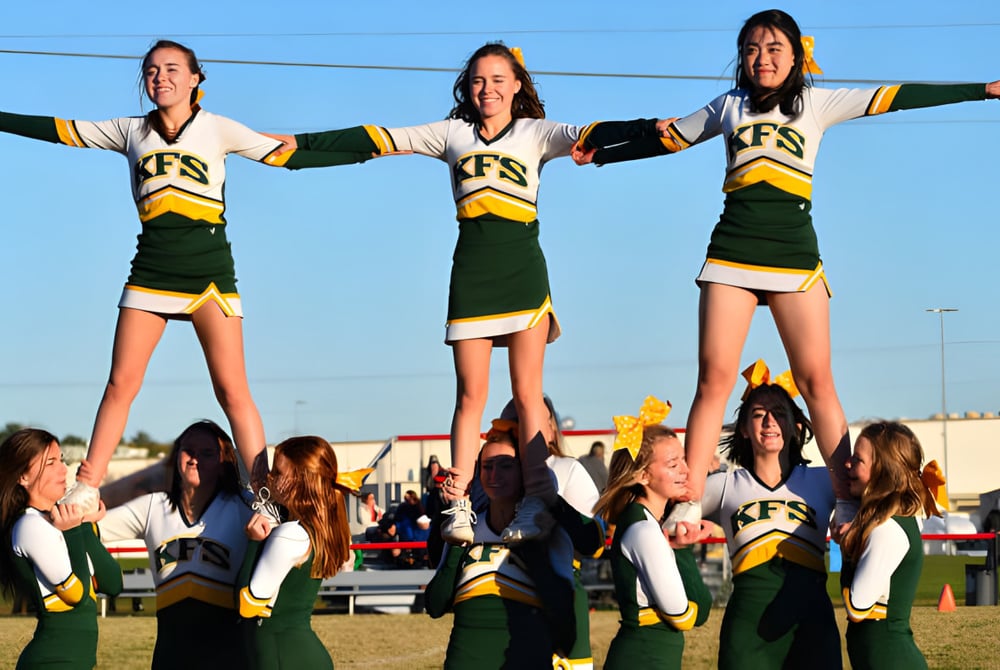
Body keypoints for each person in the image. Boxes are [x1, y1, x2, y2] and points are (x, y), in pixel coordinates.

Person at [573, 8, 1000, 531]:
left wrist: (984, 89)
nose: (762, 58)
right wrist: (601, 154)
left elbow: (893, 96)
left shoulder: (817, 105)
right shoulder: (729, 106)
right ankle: (687, 503)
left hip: (794, 257)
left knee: (816, 379)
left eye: (774, 48)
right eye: (751, 49)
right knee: (714, 380)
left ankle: (846, 499)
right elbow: (668, 138)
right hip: (731, 252)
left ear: (797, 55)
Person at [0, 40, 370, 512]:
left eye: (172, 69)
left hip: (209, 274)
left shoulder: (217, 129)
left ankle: (261, 494)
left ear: (196, 79)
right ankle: (88, 485)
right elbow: (58, 130)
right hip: (151, 269)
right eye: (152, 70)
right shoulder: (129, 130)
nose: (161, 77)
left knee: (232, 389)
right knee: (120, 384)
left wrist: (366, 147)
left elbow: (287, 154)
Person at [277, 42, 590, 545]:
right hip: (472, 274)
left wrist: (653, 134)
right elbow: (378, 138)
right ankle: (460, 504)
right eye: (477, 80)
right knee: (470, 395)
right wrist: (298, 146)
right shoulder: (452, 134)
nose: (486, 89)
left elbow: (589, 135)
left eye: (497, 79)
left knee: (528, 393)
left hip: (524, 273)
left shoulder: (535, 134)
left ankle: (536, 501)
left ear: (517, 85)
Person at [701, 364, 840, 669]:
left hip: (812, 625)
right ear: (742, 429)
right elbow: (665, 510)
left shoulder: (824, 481)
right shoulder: (723, 486)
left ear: (796, 426)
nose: (769, 422)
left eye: (779, 413)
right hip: (747, 631)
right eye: (758, 414)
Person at [98, 420, 252, 669]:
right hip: (170, 656)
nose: (194, 459)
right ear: (176, 456)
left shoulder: (243, 509)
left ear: (225, 464)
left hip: (228, 656)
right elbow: (93, 529)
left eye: (207, 453)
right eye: (188, 450)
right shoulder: (152, 507)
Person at [425, 421, 576, 668]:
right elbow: (435, 605)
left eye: (506, 466)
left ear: (525, 472)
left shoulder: (547, 532)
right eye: (487, 467)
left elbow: (566, 633)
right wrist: (455, 547)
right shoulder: (464, 527)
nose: (494, 476)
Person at [593, 397, 713, 669]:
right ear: (643, 476)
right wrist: (683, 553)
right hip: (643, 659)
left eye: (683, 459)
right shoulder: (644, 530)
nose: (686, 470)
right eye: (673, 464)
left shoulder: (645, 522)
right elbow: (686, 615)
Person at [0, 428, 123, 669]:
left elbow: (113, 584)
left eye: (62, 460)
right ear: (22, 477)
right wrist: (74, 530)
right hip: (50, 662)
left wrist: (85, 525)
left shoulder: (66, 523)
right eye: (51, 463)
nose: (63, 470)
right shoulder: (29, 524)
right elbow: (75, 594)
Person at [237, 436, 353, 670]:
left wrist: (254, 542)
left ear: (300, 482)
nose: (270, 477)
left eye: (278, 473)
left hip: (283, 655)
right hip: (297, 652)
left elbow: (247, 605)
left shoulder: (289, 534)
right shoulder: (311, 529)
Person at [840, 422, 944, 670]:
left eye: (858, 459)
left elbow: (858, 606)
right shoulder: (888, 523)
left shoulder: (887, 529)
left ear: (882, 472)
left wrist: (845, 549)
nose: (847, 464)